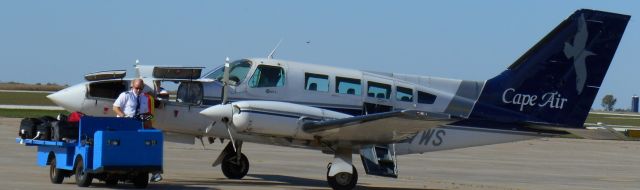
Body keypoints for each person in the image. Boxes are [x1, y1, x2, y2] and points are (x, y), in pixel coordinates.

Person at [113, 79, 163, 182]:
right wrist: (124, 116)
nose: (139, 90)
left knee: (154, 141)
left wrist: (148, 122)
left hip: (139, 125)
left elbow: (146, 115)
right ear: (132, 87)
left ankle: (155, 172)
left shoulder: (145, 98)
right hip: (125, 124)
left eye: (141, 88)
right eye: (137, 88)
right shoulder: (125, 95)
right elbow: (115, 107)